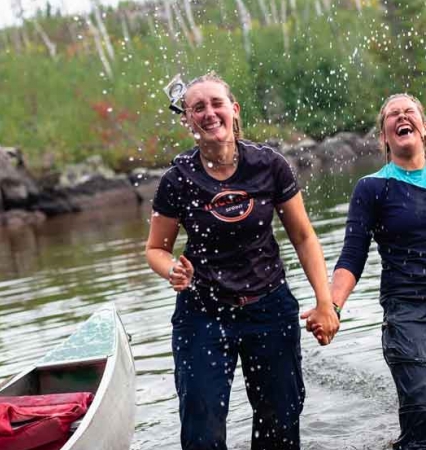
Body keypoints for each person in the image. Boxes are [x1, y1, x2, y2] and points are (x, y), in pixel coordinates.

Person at [145, 73, 339, 450]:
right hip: (202, 314)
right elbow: (156, 249)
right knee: (201, 430)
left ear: (234, 110)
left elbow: (303, 236)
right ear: (187, 120)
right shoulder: (176, 180)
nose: (209, 113)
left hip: (269, 307)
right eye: (197, 107)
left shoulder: (269, 165)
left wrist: (324, 301)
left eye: (216, 103)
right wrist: (173, 269)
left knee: (280, 424)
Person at [317, 93, 426, 450]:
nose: (402, 116)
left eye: (409, 111)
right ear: (384, 136)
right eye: (393, 114)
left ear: (424, 128)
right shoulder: (371, 189)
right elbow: (352, 257)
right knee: (425, 420)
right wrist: (332, 306)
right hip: (408, 309)